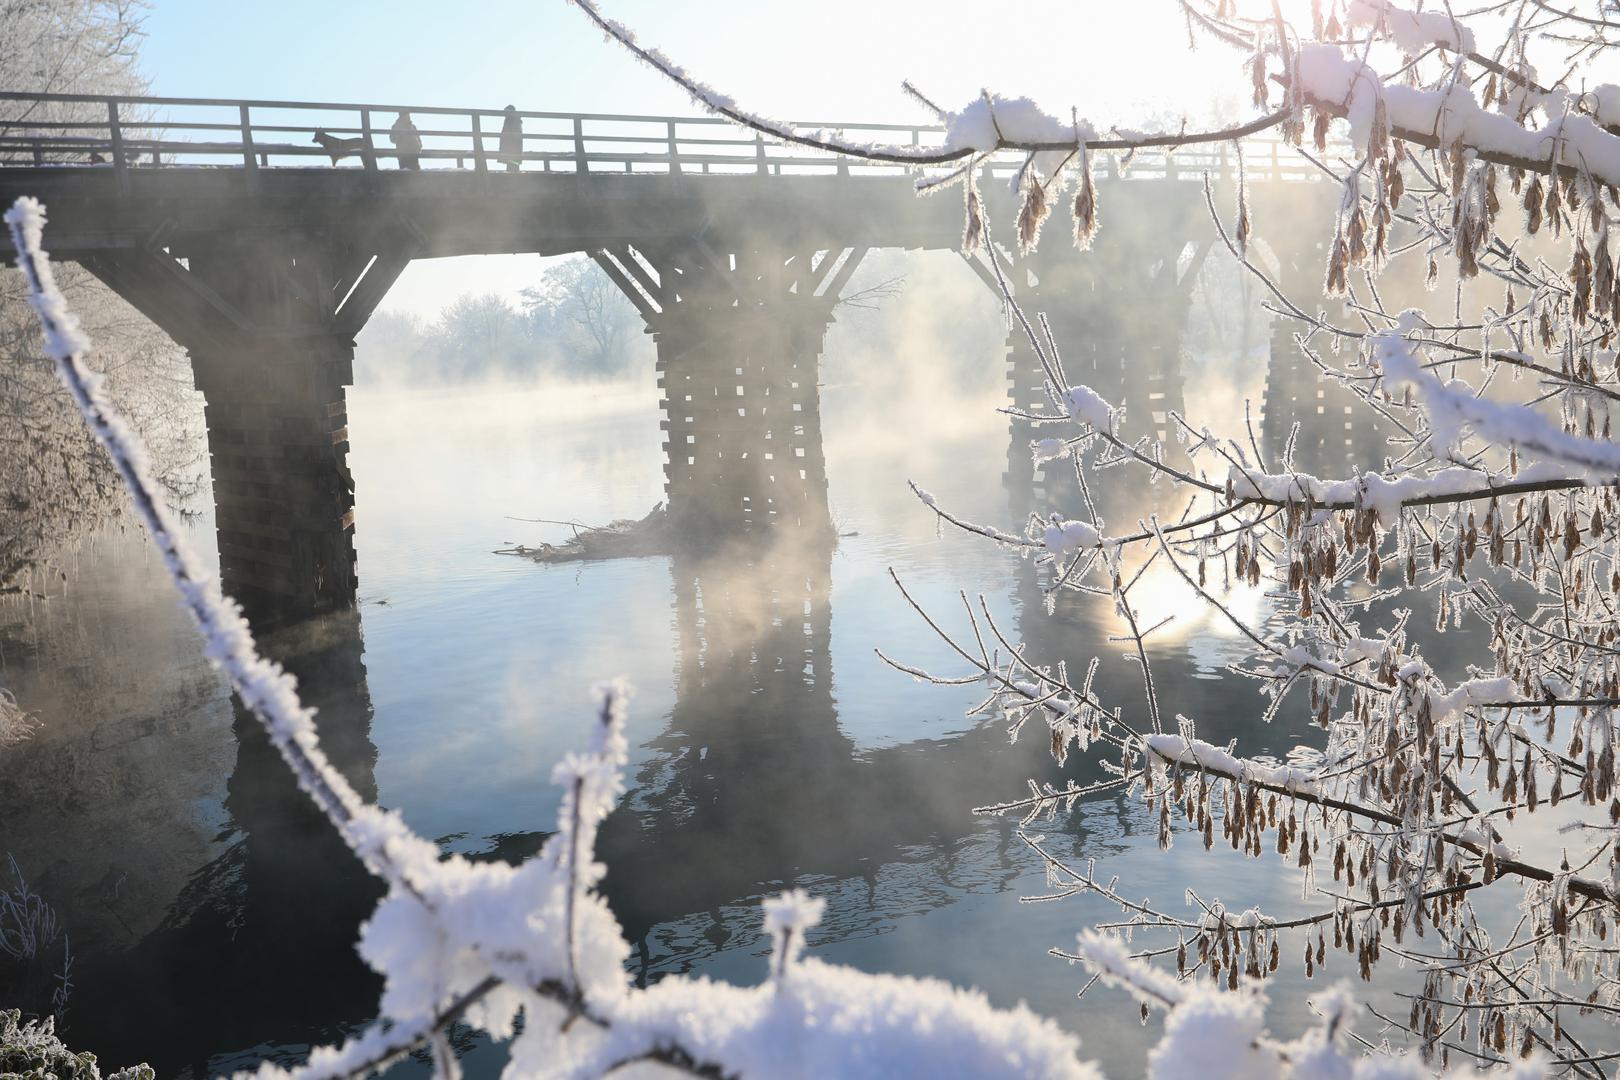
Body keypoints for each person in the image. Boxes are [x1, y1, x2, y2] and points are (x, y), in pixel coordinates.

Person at [497, 105, 523, 171]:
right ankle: (514, 176)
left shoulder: (511, 119)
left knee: (512, 163)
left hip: (511, 146)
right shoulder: (515, 119)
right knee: (513, 163)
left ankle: (513, 177)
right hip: (513, 147)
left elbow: (507, 133)